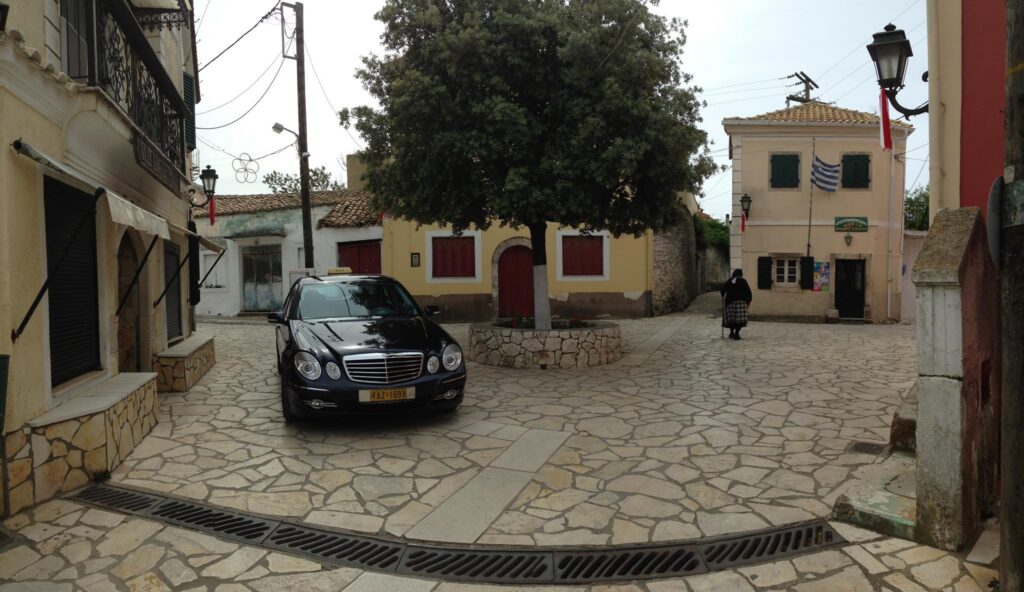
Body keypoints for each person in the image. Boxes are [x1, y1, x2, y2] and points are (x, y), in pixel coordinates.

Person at [720, 268, 752, 340]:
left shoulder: (729, 281)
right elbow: (748, 291)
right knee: (740, 319)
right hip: (741, 302)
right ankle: (736, 334)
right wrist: (749, 300)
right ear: (740, 274)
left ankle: (732, 333)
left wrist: (723, 295)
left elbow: (722, 289)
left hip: (730, 303)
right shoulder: (743, 281)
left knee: (731, 319)